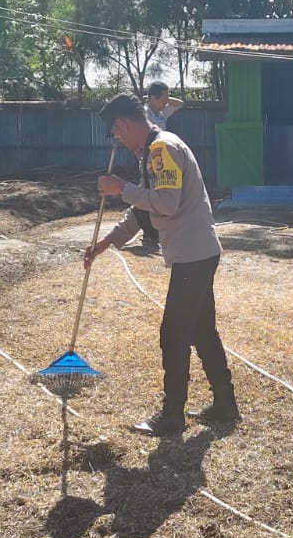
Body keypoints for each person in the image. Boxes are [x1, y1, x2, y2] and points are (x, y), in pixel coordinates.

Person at [83, 93, 237, 436]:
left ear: (123, 124)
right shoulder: (154, 150)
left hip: (192, 255)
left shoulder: (161, 149)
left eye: (116, 133)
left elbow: (165, 204)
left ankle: (172, 416)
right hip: (197, 251)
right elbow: (143, 211)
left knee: (174, 334)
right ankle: (225, 405)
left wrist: (122, 187)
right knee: (200, 329)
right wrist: (105, 244)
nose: (118, 141)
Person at [134, 82, 184, 249]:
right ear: (152, 99)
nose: (166, 102)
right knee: (146, 196)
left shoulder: (161, 113)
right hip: (149, 161)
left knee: (160, 196)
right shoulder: (144, 115)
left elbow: (180, 104)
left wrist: (166, 98)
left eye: (166, 98)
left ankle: (157, 232)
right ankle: (148, 234)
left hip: (162, 160)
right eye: (162, 99)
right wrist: (142, 160)